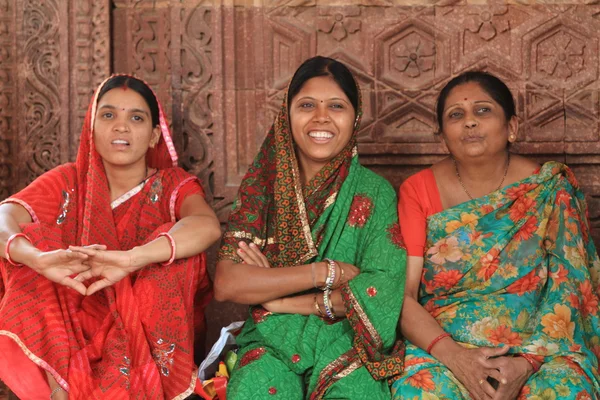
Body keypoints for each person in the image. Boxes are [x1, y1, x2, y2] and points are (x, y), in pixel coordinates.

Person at [0, 75, 221, 399]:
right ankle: (61, 389)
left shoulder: (173, 183)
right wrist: (38, 259)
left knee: (175, 253)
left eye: (135, 117)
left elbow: (206, 225)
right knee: (30, 245)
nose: (121, 126)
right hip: (73, 317)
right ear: (91, 128)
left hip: (143, 329)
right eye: (108, 115)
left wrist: (135, 258)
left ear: (154, 135)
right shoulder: (68, 180)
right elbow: (4, 216)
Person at [392, 71, 600, 399]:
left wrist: (527, 362)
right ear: (442, 136)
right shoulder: (417, 191)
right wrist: (457, 358)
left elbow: (571, 289)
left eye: (483, 110)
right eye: (456, 115)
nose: (470, 122)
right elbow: (403, 297)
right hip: (445, 346)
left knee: (566, 390)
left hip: (542, 349)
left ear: (512, 127)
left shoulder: (550, 189)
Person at [214, 56, 407, 399]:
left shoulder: (375, 193)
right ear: (286, 115)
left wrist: (277, 296)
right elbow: (229, 283)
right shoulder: (263, 188)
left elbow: (379, 293)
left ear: (355, 117)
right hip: (270, 339)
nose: (321, 117)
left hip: (347, 342)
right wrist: (326, 273)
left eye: (336, 106)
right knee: (254, 390)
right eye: (306, 105)